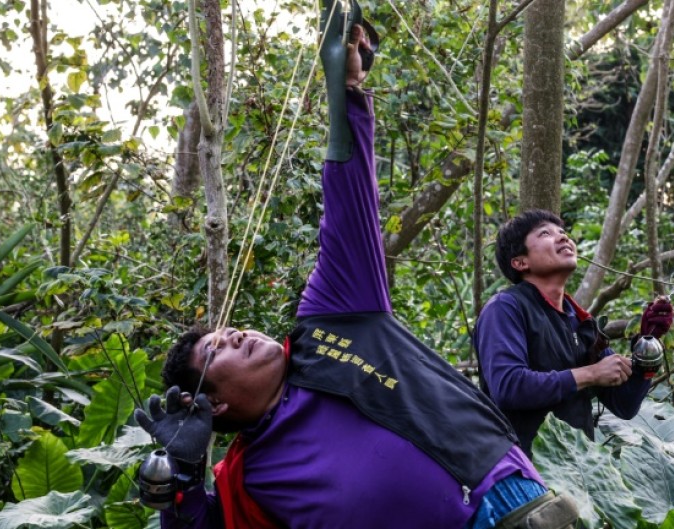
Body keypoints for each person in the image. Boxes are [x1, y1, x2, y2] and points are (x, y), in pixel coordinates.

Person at [134, 2, 580, 528]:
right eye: (218, 349)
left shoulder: (332, 318)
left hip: (520, 506)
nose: (237, 336)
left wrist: (344, 90)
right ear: (215, 405)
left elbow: (349, 208)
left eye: (231, 330)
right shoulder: (250, 478)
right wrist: (181, 481)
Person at [474, 210, 674, 458]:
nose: (563, 238)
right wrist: (590, 374)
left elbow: (624, 404)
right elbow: (508, 387)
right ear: (520, 262)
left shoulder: (581, 322)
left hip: (579, 472)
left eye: (563, 233)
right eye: (545, 233)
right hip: (523, 472)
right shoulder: (505, 308)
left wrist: (648, 345)